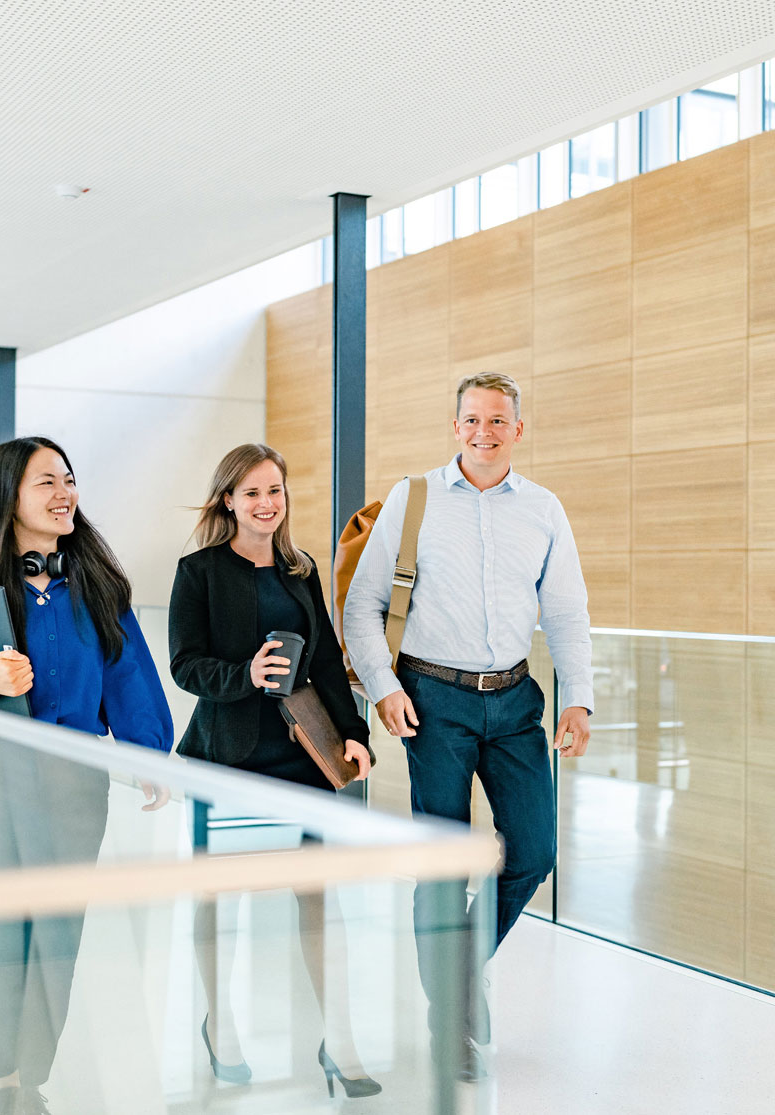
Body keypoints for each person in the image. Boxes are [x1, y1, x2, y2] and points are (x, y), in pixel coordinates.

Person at [340, 372, 594, 1078]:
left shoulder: (544, 509)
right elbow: (360, 608)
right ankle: (448, 1022)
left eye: (499, 420)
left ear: (519, 428)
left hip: (515, 701)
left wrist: (578, 697)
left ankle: (453, 974)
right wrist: (385, 688)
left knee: (533, 851)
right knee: (444, 861)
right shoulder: (412, 498)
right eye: (473, 420)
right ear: (455, 427)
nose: (485, 432)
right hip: (433, 698)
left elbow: (567, 612)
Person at [0, 436, 173, 1115]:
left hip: (73, 785)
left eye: (70, 479)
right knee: (10, 927)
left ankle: (33, 1079)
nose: (65, 493)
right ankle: (0, 1077)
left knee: (60, 932)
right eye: (46, 482)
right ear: (10, 496)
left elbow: (129, 676)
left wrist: (146, 752)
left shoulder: (98, 586)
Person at [168, 443, 380, 1099]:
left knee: (319, 897)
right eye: (252, 492)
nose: (266, 503)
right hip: (227, 759)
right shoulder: (198, 570)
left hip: (299, 761)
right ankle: (220, 1024)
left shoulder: (300, 569)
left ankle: (338, 1038)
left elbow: (322, 662)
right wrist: (245, 676)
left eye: (275, 491)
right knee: (219, 895)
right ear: (228, 499)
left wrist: (354, 732)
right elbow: (185, 664)